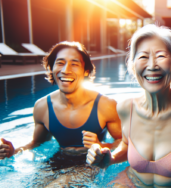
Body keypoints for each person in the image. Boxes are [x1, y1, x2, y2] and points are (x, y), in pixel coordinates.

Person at [86, 25, 171, 187]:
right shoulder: (126, 108)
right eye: (143, 57)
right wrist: (109, 158)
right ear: (133, 67)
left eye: (160, 56)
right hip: (131, 182)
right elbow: (126, 146)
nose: (152, 66)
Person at [0, 41, 122, 186]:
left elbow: (124, 143)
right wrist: (14, 151)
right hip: (58, 158)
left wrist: (101, 145)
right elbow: (37, 142)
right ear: (51, 68)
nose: (65, 70)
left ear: (86, 71)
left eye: (74, 64)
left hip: (92, 161)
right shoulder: (42, 107)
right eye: (60, 63)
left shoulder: (106, 105)